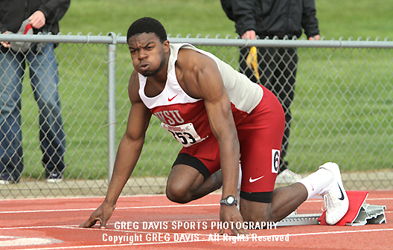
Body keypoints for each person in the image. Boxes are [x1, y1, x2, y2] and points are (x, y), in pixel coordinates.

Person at [80, 17, 348, 234]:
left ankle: (325, 179)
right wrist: (108, 203)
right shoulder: (138, 84)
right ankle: (242, 172)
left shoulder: (196, 69)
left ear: (165, 46)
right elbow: (132, 139)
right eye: (134, 51)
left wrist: (228, 200)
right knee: (178, 189)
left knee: (256, 218)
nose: (141, 56)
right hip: (213, 129)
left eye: (148, 47)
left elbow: (229, 134)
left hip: (256, 118)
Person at [221, 0, 321, 183]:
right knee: (253, 106)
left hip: (288, 42)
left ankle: (277, 166)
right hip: (258, 41)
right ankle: (246, 166)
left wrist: (311, 27)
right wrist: (246, 24)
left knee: (282, 107)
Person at [0, 0, 70, 184]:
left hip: (42, 38)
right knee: (7, 105)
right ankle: (8, 168)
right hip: (6, 41)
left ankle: (54, 166)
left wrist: (44, 12)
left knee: (49, 101)